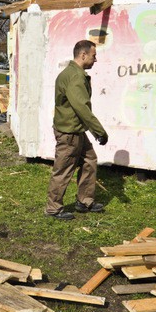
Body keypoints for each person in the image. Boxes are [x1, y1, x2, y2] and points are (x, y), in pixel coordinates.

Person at [45, 40, 108, 220]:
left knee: (90, 160)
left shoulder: (73, 74)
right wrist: (100, 132)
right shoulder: (75, 77)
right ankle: (53, 208)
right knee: (64, 170)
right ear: (83, 55)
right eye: (93, 56)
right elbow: (82, 107)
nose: (95, 60)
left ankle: (84, 200)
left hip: (75, 130)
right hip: (69, 133)